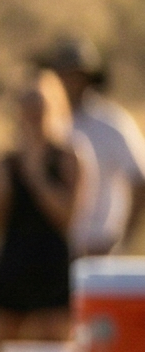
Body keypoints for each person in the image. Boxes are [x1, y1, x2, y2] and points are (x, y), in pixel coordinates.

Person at [0, 69, 92, 346]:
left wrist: (37, 175)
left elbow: (67, 217)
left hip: (52, 265)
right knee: (7, 349)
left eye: (39, 107)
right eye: (28, 108)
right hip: (15, 262)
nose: (33, 115)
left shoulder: (69, 157)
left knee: (55, 347)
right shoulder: (7, 162)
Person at [45, 36, 145, 258]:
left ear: (88, 78)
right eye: (63, 75)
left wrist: (123, 241)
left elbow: (139, 180)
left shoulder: (111, 123)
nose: (68, 82)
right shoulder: (47, 124)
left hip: (99, 245)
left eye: (74, 76)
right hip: (52, 250)